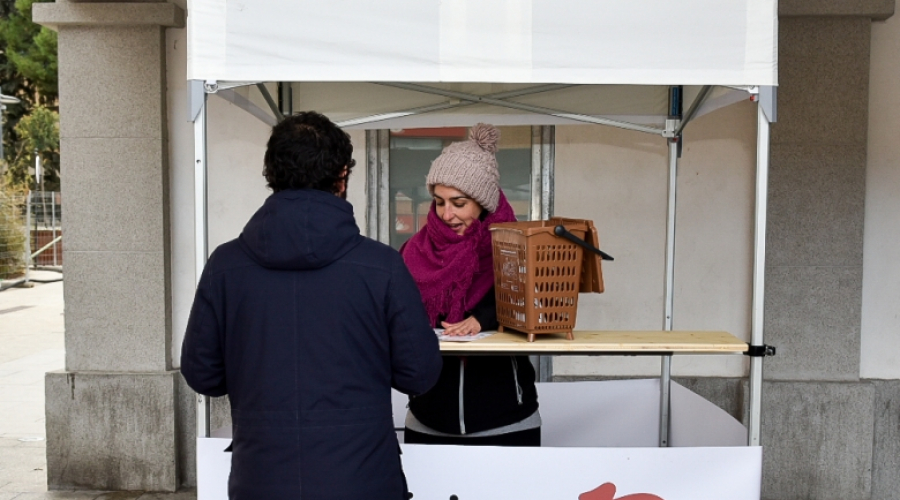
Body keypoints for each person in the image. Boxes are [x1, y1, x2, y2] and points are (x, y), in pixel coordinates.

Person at [181, 111, 442, 500]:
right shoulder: (382, 266)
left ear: (271, 173)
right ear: (342, 176)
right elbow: (418, 374)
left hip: (261, 481)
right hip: (363, 481)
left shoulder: (226, 266)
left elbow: (203, 375)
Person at [399, 124, 540, 446]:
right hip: (427, 418)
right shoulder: (412, 253)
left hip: (507, 420)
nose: (446, 214)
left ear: (484, 203)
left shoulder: (515, 248)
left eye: (459, 203)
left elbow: (535, 306)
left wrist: (482, 318)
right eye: (438, 201)